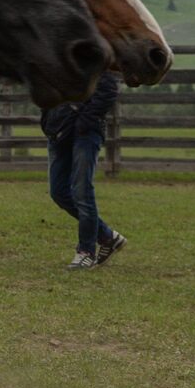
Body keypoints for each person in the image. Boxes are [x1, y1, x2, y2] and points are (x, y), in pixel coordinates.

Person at [41, 71, 126, 270]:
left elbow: (108, 89)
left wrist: (84, 121)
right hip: (58, 131)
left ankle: (86, 251)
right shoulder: (53, 60)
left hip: (84, 134)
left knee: (82, 191)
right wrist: (48, 122)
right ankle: (107, 236)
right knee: (58, 192)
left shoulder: (93, 58)